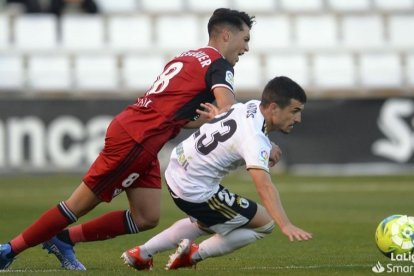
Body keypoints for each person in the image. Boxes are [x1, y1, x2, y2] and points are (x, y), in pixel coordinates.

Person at [0, 8, 255, 271]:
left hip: (140, 135)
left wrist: (207, 119)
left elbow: (172, 112)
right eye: (245, 39)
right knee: (76, 205)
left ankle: (64, 240)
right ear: (226, 35)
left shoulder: (188, 56)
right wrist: (236, 123)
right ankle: (9, 250)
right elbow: (229, 108)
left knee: (146, 216)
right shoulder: (219, 65)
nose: (247, 47)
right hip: (137, 140)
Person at [121, 76, 313, 271]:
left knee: (204, 222)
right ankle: (193, 254)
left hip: (177, 168)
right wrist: (286, 224)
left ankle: (141, 253)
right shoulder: (255, 140)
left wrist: (267, 145)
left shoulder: (251, 106)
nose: (298, 119)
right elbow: (264, 186)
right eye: (294, 111)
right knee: (265, 223)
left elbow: (231, 119)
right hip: (194, 188)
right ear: (273, 108)